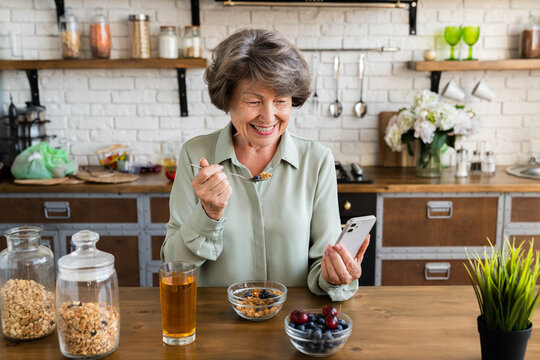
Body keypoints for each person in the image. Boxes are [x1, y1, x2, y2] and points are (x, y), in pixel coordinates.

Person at [161, 28, 370, 301]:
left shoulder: (316, 160)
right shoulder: (196, 154)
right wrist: (209, 214)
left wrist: (333, 274)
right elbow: (173, 263)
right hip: (215, 326)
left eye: (281, 101)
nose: (269, 117)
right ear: (227, 100)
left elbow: (323, 261)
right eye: (253, 101)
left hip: (292, 325)